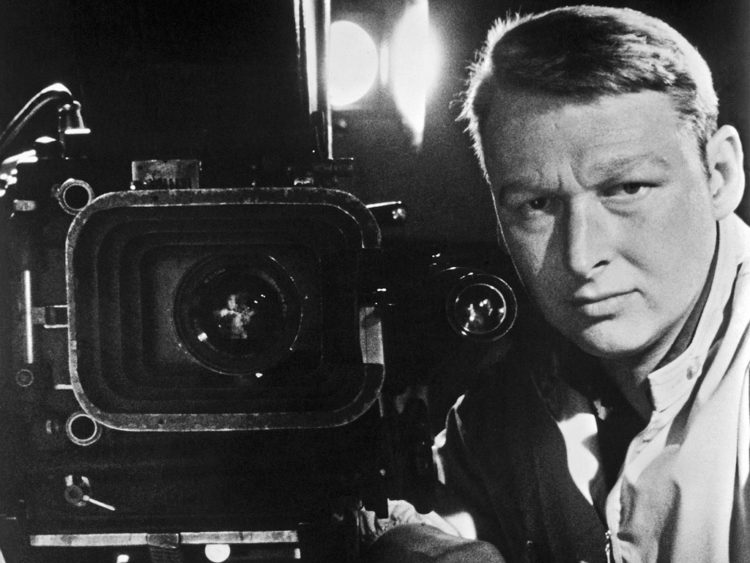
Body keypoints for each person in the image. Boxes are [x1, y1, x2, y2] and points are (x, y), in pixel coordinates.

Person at [362, 5, 750, 562]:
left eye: (627, 189)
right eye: (537, 204)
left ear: (721, 175)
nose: (580, 256)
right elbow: (430, 526)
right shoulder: (502, 413)